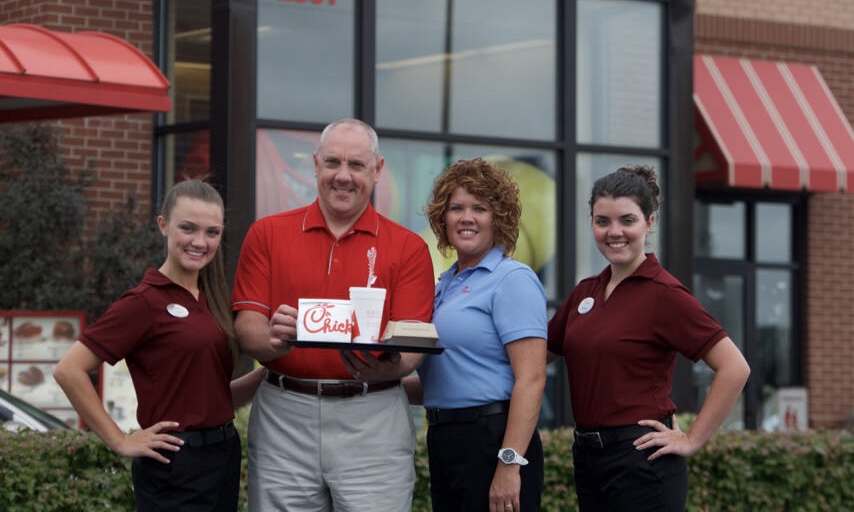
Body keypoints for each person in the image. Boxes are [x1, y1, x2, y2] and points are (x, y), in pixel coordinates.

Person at [231, 117, 435, 512]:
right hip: (284, 414)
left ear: (377, 171)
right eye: (333, 163)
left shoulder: (408, 248)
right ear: (315, 164)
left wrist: (385, 369)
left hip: (372, 414)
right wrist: (272, 338)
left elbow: (412, 348)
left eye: (357, 165)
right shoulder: (267, 233)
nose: (343, 176)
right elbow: (247, 327)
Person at [547, 165, 751, 512]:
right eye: (602, 221)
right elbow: (534, 357)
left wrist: (691, 438)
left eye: (627, 220)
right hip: (588, 458)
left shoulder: (665, 294)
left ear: (649, 222)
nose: (614, 232)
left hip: (642, 462)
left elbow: (735, 367)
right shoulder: (585, 292)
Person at [53, 178, 264, 512]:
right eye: (188, 228)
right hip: (176, 465)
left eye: (212, 232)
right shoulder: (143, 302)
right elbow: (69, 370)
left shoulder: (212, 302)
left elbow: (212, 398)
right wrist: (119, 440)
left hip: (223, 455)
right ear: (163, 226)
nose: (200, 241)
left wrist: (270, 373)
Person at [404, 157, 547, 512]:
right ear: (442, 218)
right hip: (445, 438)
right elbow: (449, 377)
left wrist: (509, 463)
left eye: (479, 208)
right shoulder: (444, 286)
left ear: (498, 218)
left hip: (492, 439)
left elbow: (531, 379)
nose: (466, 217)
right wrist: (371, 382)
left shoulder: (512, 279)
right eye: (456, 208)